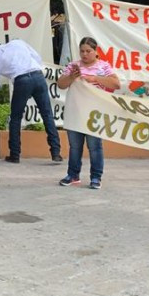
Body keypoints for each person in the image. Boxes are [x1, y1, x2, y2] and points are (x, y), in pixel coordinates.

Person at [56, 37, 119, 189]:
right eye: (82, 51)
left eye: (88, 51)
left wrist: (95, 78)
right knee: (75, 146)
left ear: (96, 51)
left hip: (94, 114)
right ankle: (73, 175)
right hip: (76, 112)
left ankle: (96, 177)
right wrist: (72, 77)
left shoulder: (103, 66)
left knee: (94, 146)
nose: (85, 54)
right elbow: (61, 84)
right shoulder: (73, 66)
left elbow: (116, 84)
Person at [0, 38, 61, 163]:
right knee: (47, 114)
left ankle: (15, 154)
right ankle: (56, 152)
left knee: (16, 118)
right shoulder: (18, 42)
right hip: (38, 75)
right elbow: (37, 57)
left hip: (22, 80)